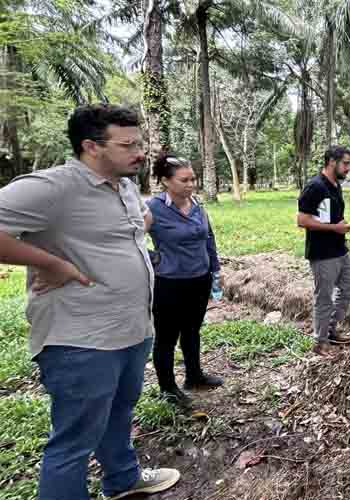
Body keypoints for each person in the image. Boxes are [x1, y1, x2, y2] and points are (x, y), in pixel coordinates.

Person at [0, 104, 180, 499]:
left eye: (140, 143)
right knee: (74, 441)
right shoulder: (53, 188)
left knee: (119, 412)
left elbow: (137, 223)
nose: (140, 153)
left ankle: (123, 478)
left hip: (132, 329)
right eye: (127, 145)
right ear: (91, 146)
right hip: (81, 339)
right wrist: (50, 262)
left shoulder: (125, 185)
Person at [146, 152, 223, 408]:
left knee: (192, 330)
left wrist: (215, 269)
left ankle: (194, 376)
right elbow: (129, 238)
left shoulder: (197, 204)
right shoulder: (153, 207)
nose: (191, 184)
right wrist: (154, 258)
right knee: (166, 337)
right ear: (166, 181)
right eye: (184, 180)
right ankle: (168, 388)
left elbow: (208, 237)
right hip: (169, 283)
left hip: (199, 279)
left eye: (193, 179)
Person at [296, 145, 350, 357]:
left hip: (340, 249)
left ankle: (330, 330)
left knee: (348, 288)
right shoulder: (315, 187)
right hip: (322, 253)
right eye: (345, 163)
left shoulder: (335, 185)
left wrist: (342, 225)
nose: (348, 168)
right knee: (324, 298)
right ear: (332, 161)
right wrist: (334, 228)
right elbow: (302, 220)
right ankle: (320, 342)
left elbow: (330, 215)